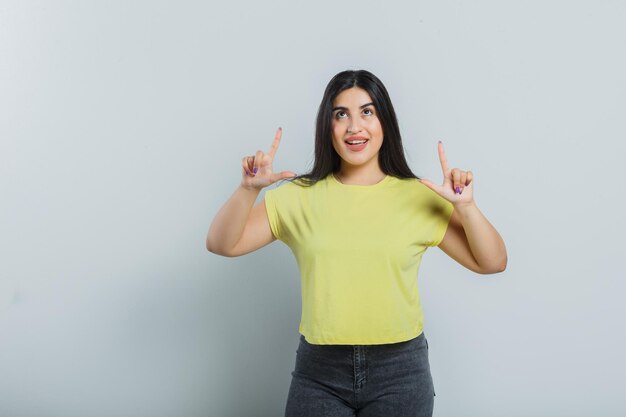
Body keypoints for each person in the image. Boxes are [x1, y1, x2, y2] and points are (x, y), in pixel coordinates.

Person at [206, 69, 507, 417]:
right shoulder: (298, 198)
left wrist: (466, 207)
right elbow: (221, 243)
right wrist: (248, 190)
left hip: (400, 373)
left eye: (367, 112)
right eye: (340, 115)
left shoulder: (419, 197)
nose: (354, 127)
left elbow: (493, 261)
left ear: (385, 121)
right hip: (319, 373)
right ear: (327, 126)